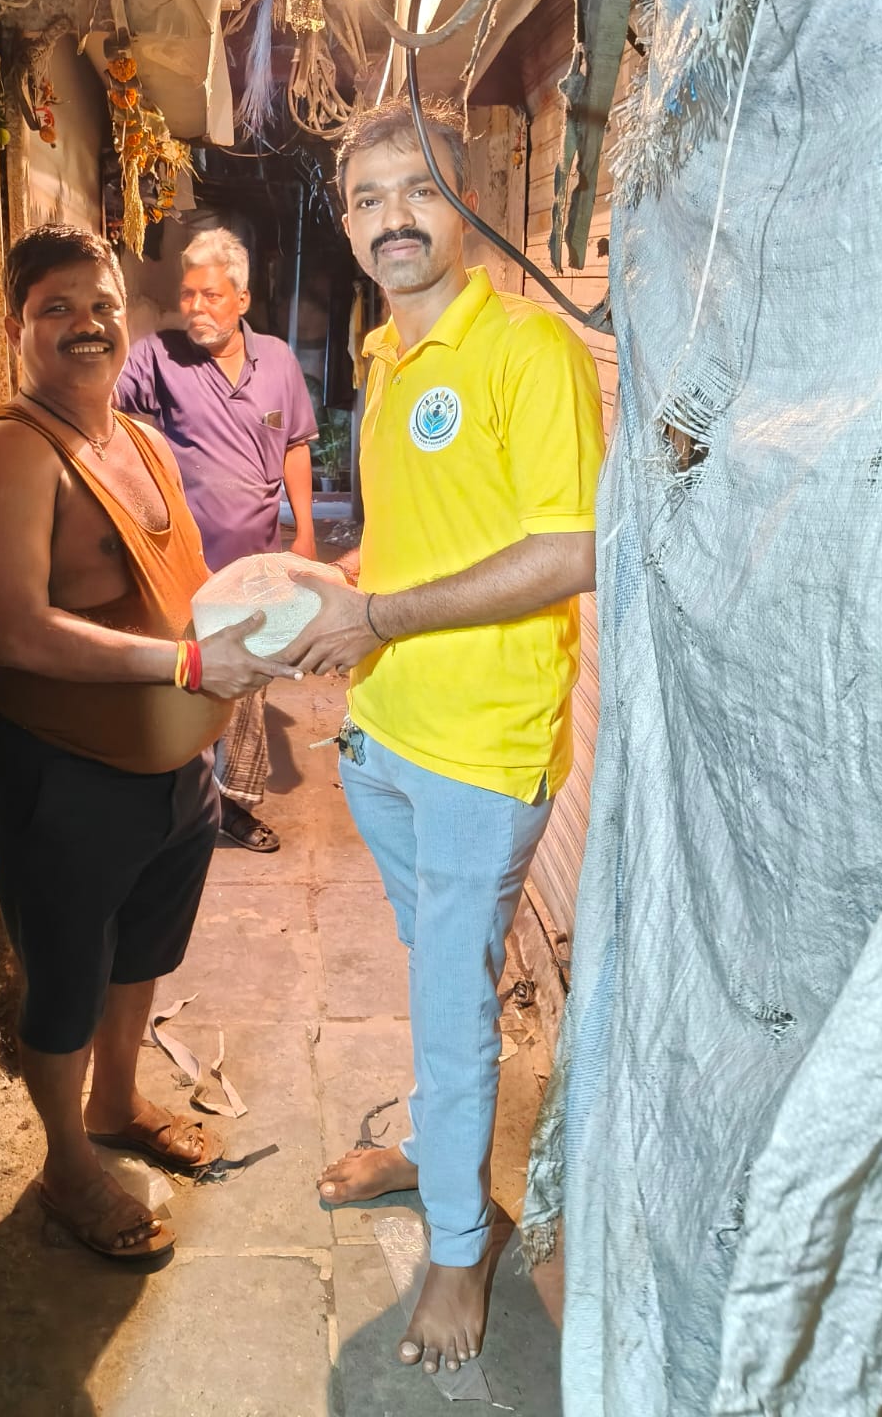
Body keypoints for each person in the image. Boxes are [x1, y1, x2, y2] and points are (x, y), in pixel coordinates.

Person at [282, 99, 605, 1372]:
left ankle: (463, 1247)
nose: (394, 217)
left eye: (420, 189)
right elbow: (414, 537)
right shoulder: (382, 354)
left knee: (453, 1000)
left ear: (467, 203)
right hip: (386, 735)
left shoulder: (530, 350)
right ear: (349, 224)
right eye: (368, 198)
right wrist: (329, 591)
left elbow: (570, 549)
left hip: (481, 747)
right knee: (436, 975)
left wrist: (377, 616)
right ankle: (430, 1149)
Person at [0, 224, 299, 1269]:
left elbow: (181, 583)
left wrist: (272, 616)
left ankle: (115, 1102)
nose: (86, 324)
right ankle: (66, 1166)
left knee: (144, 951)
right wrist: (184, 666)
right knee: (65, 978)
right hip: (67, 777)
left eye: (101, 305)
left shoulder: (140, 440)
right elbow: (20, 631)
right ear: (16, 328)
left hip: (175, 777)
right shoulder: (10, 452)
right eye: (55, 308)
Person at [114, 226, 319, 855]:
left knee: (248, 680)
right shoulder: (157, 356)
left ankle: (232, 803)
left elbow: (294, 446)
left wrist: (305, 533)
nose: (195, 307)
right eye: (187, 295)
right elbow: (105, 411)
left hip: (254, 561)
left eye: (210, 295)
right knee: (188, 677)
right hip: (179, 561)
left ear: (242, 299)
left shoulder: (277, 362)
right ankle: (185, 798)